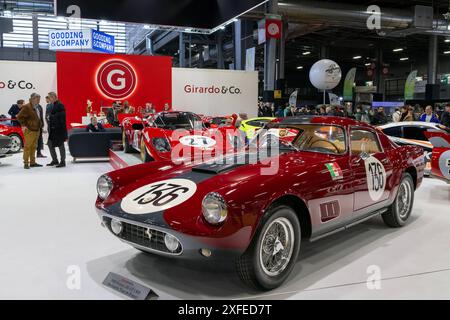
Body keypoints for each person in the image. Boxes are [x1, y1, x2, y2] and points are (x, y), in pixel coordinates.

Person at [16, 93, 42, 169]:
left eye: (39, 99)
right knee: (27, 147)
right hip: (30, 130)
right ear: (32, 99)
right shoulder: (27, 107)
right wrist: (23, 125)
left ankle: (33, 162)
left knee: (34, 147)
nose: (39, 101)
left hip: (37, 130)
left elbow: (38, 118)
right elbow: (19, 117)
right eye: (37, 99)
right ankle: (26, 163)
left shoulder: (37, 107)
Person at [47, 92, 68, 168]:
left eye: (50, 97)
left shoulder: (60, 104)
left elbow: (62, 116)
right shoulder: (53, 105)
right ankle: (55, 160)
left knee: (60, 145)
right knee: (50, 144)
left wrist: (51, 117)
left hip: (59, 129)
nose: (49, 99)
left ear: (53, 97)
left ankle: (63, 161)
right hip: (54, 129)